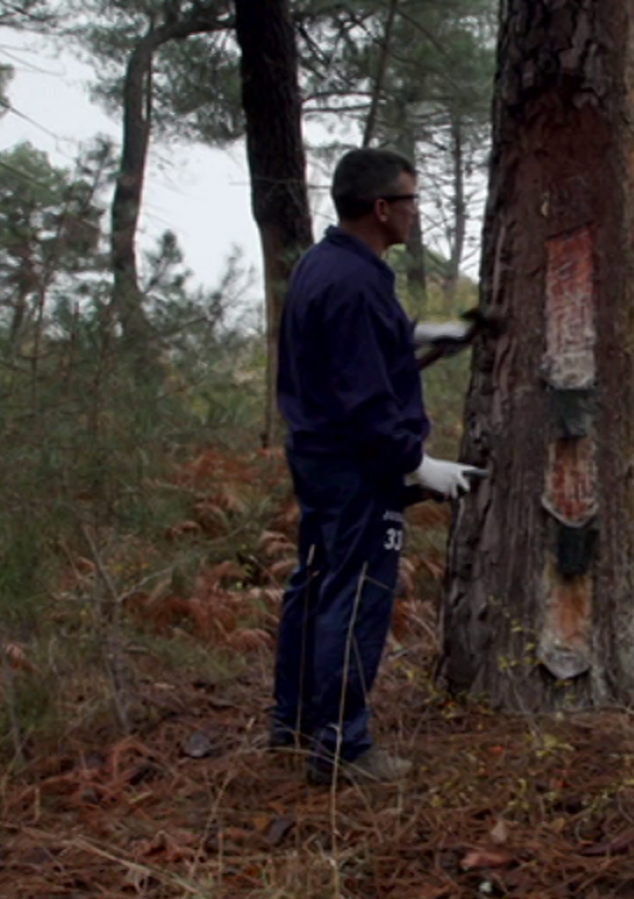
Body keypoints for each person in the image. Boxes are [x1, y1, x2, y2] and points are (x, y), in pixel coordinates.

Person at [272, 147, 486, 785]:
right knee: (356, 594)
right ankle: (342, 745)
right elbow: (364, 400)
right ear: (382, 208)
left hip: (318, 458)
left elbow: (353, 346)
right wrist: (417, 465)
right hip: (356, 468)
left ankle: (294, 723)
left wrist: (424, 332)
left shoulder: (327, 263)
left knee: (315, 585)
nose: (417, 212)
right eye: (412, 200)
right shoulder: (356, 281)